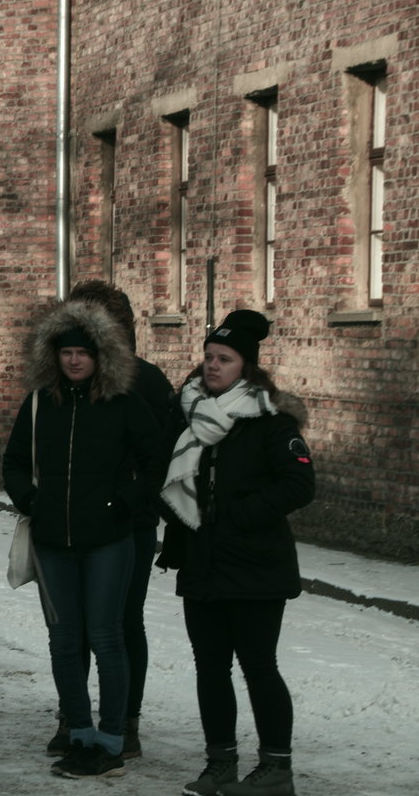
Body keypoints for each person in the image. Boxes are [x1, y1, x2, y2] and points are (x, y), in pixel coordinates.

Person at [1, 301, 161, 781]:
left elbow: (156, 460)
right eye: (67, 352)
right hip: (53, 541)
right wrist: (31, 500)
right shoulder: (40, 403)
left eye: (83, 353)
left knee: (107, 637)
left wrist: (123, 503)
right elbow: (14, 461)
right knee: (64, 641)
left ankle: (112, 740)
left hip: (109, 540)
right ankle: (78, 734)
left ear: (100, 357)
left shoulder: (123, 401)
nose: (74, 360)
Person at [159, 310, 315, 796]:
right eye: (208, 356)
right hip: (202, 563)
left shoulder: (270, 422)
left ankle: (276, 768)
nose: (212, 365)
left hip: (256, 566)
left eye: (224, 358)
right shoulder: (188, 416)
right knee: (210, 668)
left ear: (246, 367)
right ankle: (220, 763)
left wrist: (235, 515)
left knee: (258, 666)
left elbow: (299, 484)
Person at [46, 280, 176, 759]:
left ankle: (124, 721)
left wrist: (127, 500)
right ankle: (75, 718)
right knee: (73, 625)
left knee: (120, 622)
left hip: (127, 525)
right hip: (69, 522)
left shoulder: (146, 382)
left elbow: (160, 455)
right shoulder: (61, 383)